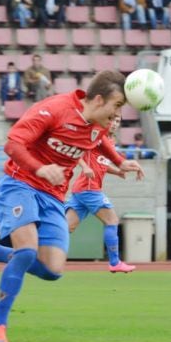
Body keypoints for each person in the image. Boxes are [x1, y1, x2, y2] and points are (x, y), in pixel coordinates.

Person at [0, 70, 144, 342]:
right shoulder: (55, 109)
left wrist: (120, 162)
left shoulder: (97, 124)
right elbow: (13, 143)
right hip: (20, 184)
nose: (118, 115)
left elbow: (99, 141)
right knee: (26, 252)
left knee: (52, 270)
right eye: (118, 106)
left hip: (53, 197)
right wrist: (40, 168)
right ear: (99, 100)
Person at [66, 114, 137, 273]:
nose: (114, 124)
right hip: (89, 188)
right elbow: (75, 150)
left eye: (118, 121)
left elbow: (102, 164)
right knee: (112, 220)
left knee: (65, 228)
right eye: (112, 120)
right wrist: (84, 167)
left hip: (81, 189)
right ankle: (114, 262)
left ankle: (36, 253)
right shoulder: (96, 135)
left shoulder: (109, 141)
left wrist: (117, 172)